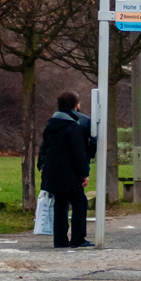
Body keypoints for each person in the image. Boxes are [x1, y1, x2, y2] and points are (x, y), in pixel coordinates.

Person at [38, 91, 91, 248]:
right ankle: (78, 238)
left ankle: (60, 240)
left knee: (60, 204)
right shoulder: (73, 127)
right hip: (70, 174)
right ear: (74, 105)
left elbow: (45, 148)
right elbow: (78, 153)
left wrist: (41, 165)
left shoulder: (51, 125)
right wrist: (84, 174)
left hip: (53, 173)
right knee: (80, 202)